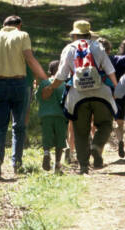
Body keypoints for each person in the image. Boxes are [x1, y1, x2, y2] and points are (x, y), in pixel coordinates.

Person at [0, 15, 48, 179]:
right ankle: (16, 162)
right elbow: (30, 60)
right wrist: (45, 79)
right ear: (19, 25)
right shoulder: (22, 36)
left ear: (3, 25)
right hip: (19, 84)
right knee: (19, 125)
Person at [43, 20, 117, 174]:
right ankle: (97, 146)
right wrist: (116, 88)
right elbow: (110, 70)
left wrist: (50, 88)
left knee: (80, 131)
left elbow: (61, 75)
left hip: (78, 96)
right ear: (90, 34)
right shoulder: (98, 46)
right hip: (101, 93)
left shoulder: (69, 49)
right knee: (105, 123)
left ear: (75, 34)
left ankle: (83, 166)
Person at [97, 37, 125, 158]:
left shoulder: (113, 60)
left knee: (119, 122)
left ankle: (120, 141)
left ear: (122, 48)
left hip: (117, 93)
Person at [35, 60, 67, 174]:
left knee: (47, 138)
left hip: (46, 115)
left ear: (50, 71)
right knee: (60, 141)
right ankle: (57, 164)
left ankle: (46, 153)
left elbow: (38, 98)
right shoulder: (64, 84)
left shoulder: (44, 83)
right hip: (61, 116)